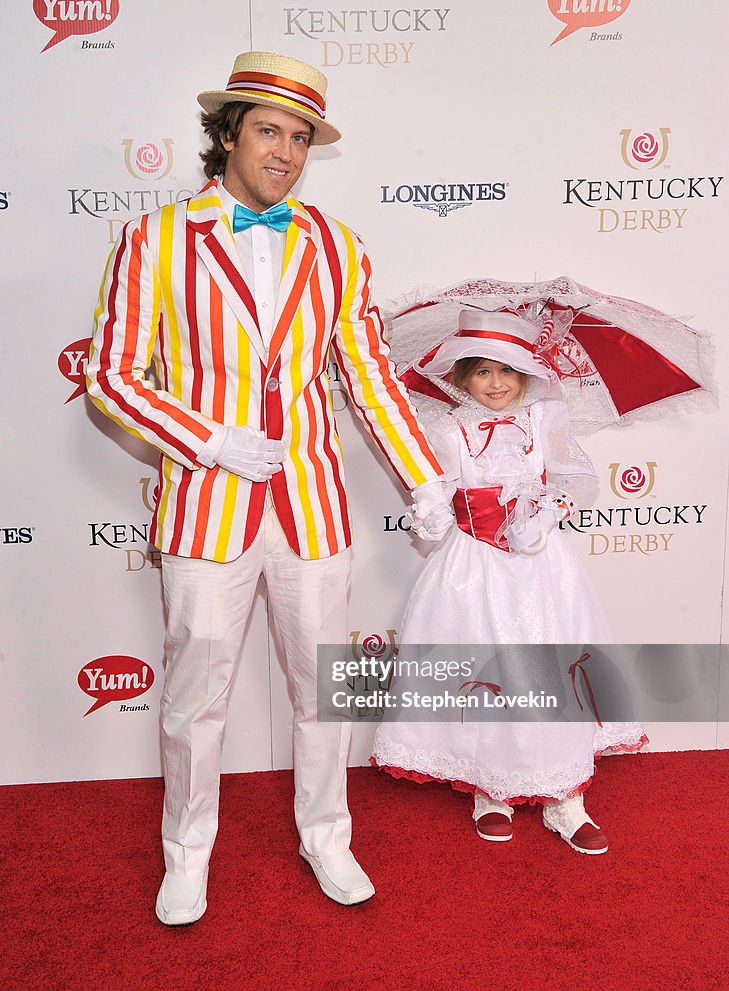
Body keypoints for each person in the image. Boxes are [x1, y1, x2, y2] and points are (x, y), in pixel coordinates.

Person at [86, 50, 451, 924]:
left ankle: (327, 836)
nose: (284, 150)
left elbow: (368, 379)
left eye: (299, 137)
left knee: (324, 691)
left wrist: (424, 479)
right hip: (207, 509)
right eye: (267, 131)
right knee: (192, 699)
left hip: (313, 507)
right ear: (226, 135)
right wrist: (206, 438)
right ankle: (187, 853)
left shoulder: (337, 245)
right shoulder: (156, 238)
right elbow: (111, 375)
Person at [371, 309, 646, 852]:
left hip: (541, 569)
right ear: (461, 377)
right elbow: (440, 500)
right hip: (473, 569)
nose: (496, 384)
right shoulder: (447, 430)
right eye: (482, 373)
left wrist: (544, 509)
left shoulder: (546, 417)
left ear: (527, 374)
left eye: (507, 371)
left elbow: (575, 476)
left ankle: (565, 797)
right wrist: (430, 508)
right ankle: (490, 789)